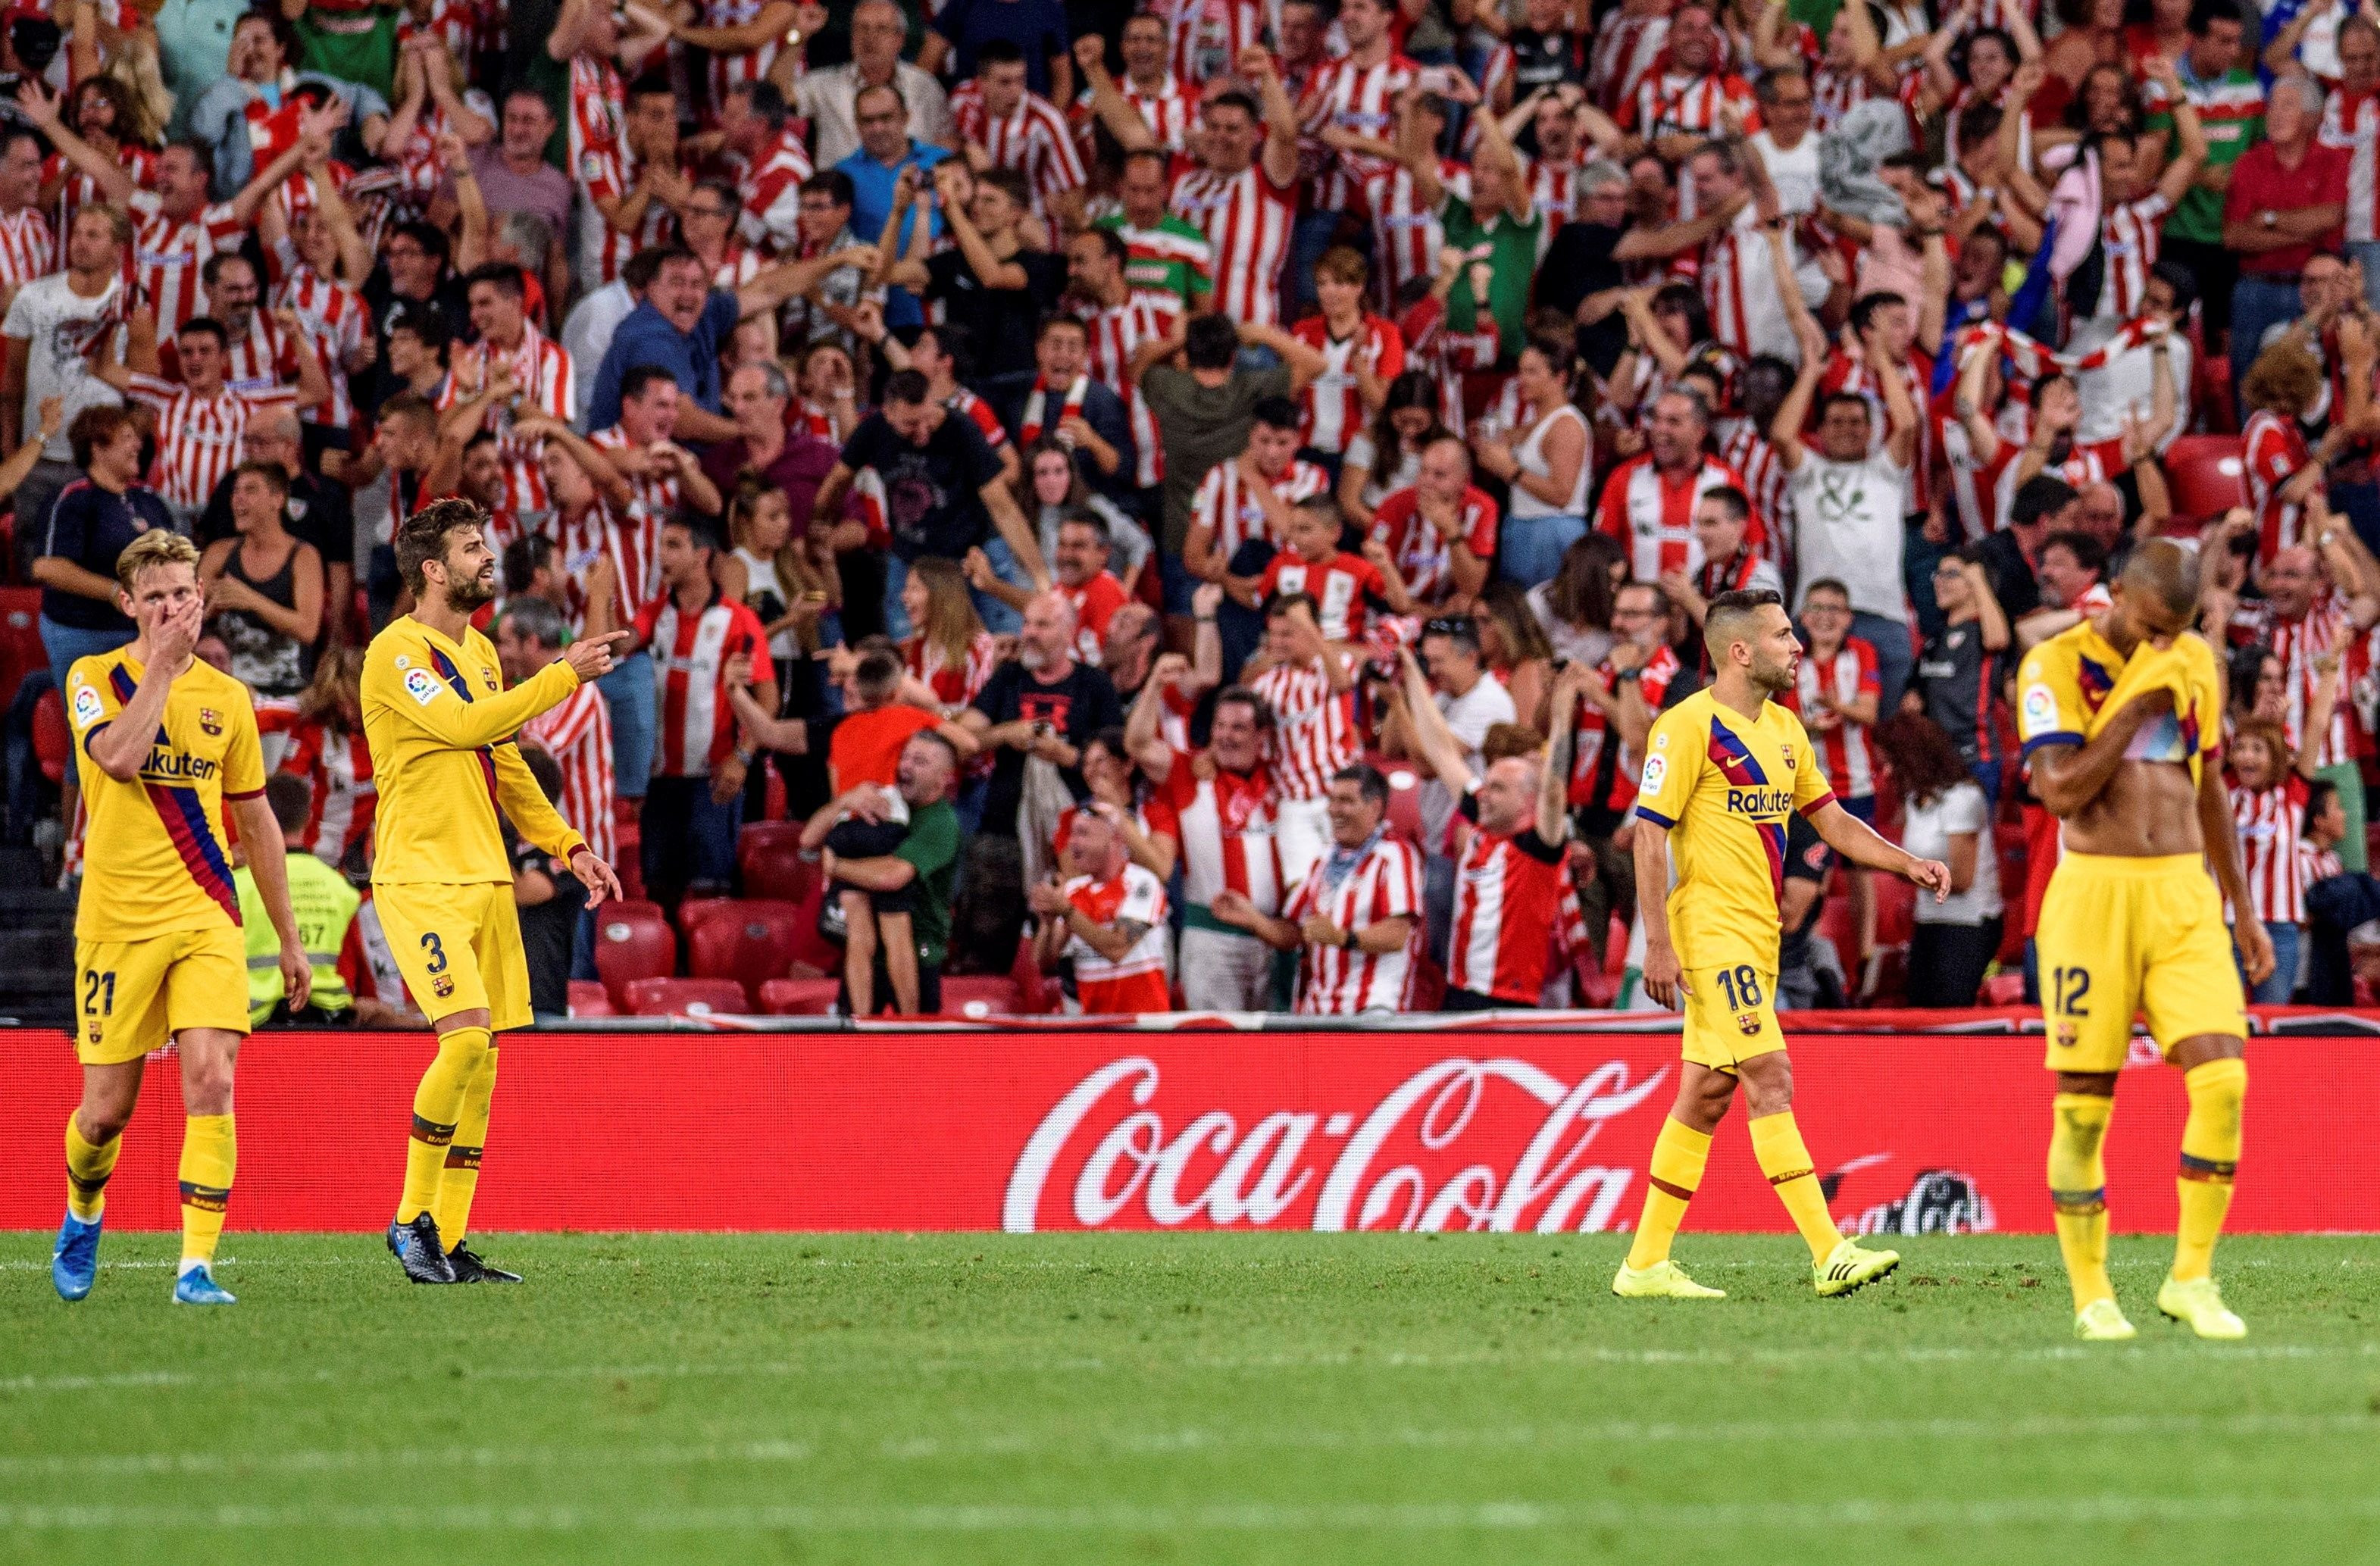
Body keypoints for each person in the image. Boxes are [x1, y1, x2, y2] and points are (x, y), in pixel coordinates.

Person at [1615, 587, 1951, 1302]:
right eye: (1782, 635)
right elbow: (1648, 832)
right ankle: (1829, 1250)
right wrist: (1657, 942)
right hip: (1709, 931)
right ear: (1739, 651)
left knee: (1706, 1095)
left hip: (1758, 934)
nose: (1797, 647)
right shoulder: (1686, 728)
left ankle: (1643, 1264)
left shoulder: (1786, 731)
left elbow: (1830, 822)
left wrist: (1905, 863)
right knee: (1769, 1073)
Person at [366, 499, 627, 1287]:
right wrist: (560, 675)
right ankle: (410, 1219)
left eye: (488, 544)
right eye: (473, 548)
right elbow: (462, 727)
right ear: (432, 570)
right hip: (420, 877)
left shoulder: (480, 650)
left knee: (485, 1066)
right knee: (466, 1040)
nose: (489, 558)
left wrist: (569, 845)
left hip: (487, 881)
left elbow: (507, 764)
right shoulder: (394, 653)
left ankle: (446, 1238)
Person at [2016, 540, 2269, 1341]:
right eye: (2156, 627)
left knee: (2224, 1081)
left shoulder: (2194, 657)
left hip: (2184, 893)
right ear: (2115, 592)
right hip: (2096, 896)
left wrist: (2244, 905)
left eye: (2180, 631)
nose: (2167, 645)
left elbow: (2209, 783)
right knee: (2086, 1113)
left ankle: (2191, 1278)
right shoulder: (2054, 665)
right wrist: (2134, 707)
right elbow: (2057, 792)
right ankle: (2093, 1296)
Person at [50, 530, 308, 1308]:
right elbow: (121, 759)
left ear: (202, 597)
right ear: (128, 604)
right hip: (117, 922)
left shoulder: (230, 701)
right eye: (155, 595)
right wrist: (159, 670)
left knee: (211, 1079)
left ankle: (195, 1268)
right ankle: (83, 1210)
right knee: (103, 1117)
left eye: (183, 592)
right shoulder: (92, 677)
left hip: (205, 910)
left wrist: (288, 937)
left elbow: (257, 822)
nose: (171, 606)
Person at [1402, 652, 1589, 1011]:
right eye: (1485, 784)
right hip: (1457, 992)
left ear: (1527, 800)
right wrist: (1410, 671)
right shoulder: (1478, 824)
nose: (1484, 794)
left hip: (1510, 1002)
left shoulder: (1539, 846)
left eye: (1499, 788)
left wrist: (1563, 713)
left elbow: (1553, 789)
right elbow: (1442, 752)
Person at [1775, 298, 1920, 711]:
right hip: (1813, 615)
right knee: (1807, 729)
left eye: (1857, 422)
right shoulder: (1809, 472)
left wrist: (1881, 362)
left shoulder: (1887, 470)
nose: (1847, 430)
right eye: (1836, 422)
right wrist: (1811, 374)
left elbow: (1907, 423)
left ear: (1872, 429)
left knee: (1882, 730)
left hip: (1882, 614)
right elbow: (1784, 436)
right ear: (1819, 431)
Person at [632, 517, 776, 910]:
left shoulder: (739, 620)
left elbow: (769, 699)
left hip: (714, 778)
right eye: (661, 545)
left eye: (674, 545)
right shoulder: (653, 615)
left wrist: (743, 757)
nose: (662, 555)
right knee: (659, 892)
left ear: (702, 555)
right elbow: (615, 651)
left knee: (710, 892)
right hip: (659, 779)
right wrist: (601, 598)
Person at [1209, 763, 1424, 1015]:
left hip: (1373, 1007)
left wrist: (1342, 937)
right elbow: (1294, 932)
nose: (1334, 810)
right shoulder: (1324, 858)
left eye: (1346, 801)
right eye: (1332, 800)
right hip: (1319, 1010)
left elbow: (1397, 934)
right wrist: (1253, 919)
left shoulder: (1396, 855)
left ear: (1375, 807)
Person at [796, 729, 964, 1014]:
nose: (906, 766)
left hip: (919, 956)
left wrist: (837, 867)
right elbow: (808, 839)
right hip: (869, 960)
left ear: (945, 777)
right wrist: (845, 801)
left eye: (919, 762)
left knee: (915, 1050)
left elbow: (892, 876)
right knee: (855, 1047)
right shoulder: (883, 798)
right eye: (905, 757)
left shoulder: (941, 823)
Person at [960, 591, 1123, 834]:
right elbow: (964, 737)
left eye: (1042, 625)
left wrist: (1063, 754)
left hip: (1076, 829)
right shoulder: (1009, 676)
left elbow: (1117, 767)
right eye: (1026, 623)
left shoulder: (1095, 684)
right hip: (1003, 825)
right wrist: (1006, 733)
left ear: (1069, 633)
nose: (1029, 633)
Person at [1875, 711, 2003, 1008]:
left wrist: (1903, 870)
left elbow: (1960, 879)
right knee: (1918, 1008)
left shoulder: (1963, 798)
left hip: (1969, 923)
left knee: (1948, 1014)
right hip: (1930, 918)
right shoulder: (1914, 799)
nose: (1887, 773)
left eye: (1892, 763)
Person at [2228, 700, 2332, 1005]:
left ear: (2275, 759)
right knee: (2224, 1021)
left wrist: (2332, 662)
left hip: (2281, 930)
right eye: (2241, 748)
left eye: (2257, 749)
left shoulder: (2293, 795)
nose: (2246, 755)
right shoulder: (2221, 791)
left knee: (2271, 1021)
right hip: (2226, 928)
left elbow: (2317, 726)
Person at [236, 772, 359, 1027]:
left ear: (262, 813)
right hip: (330, 1024)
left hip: (255, 1024)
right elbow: (355, 974)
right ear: (310, 816)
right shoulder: (344, 890)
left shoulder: (237, 885)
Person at [198, 461, 325, 699]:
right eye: (236, 491)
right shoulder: (220, 553)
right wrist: (209, 612)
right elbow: (186, 619)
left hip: (285, 692)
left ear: (278, 500)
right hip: (226, 688)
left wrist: (251, 600)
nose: (238, 499)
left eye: (250, 490)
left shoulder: (303, 556)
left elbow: (308, 629)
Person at [1030, 805, 1171, 1014]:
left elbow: (1117, 949)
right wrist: (1048, 924)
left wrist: (1067, 912)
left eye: (1083, 833)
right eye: (1072, 833)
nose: (1072, 843)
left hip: (1144, 1024)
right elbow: (1042, 963)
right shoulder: (1072, 891)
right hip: (1095, 1027)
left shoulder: (1143, 883)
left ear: (1116, 839)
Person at [1911, 548, 2013, 799]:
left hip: (1974, 756)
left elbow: (1998, 640)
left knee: (1975, 839)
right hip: (1934, 759)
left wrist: (1978, 579)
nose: (1940, 581)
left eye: (1952, 574)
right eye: (1939, 574)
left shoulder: (1983, 630)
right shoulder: (1934, 639)